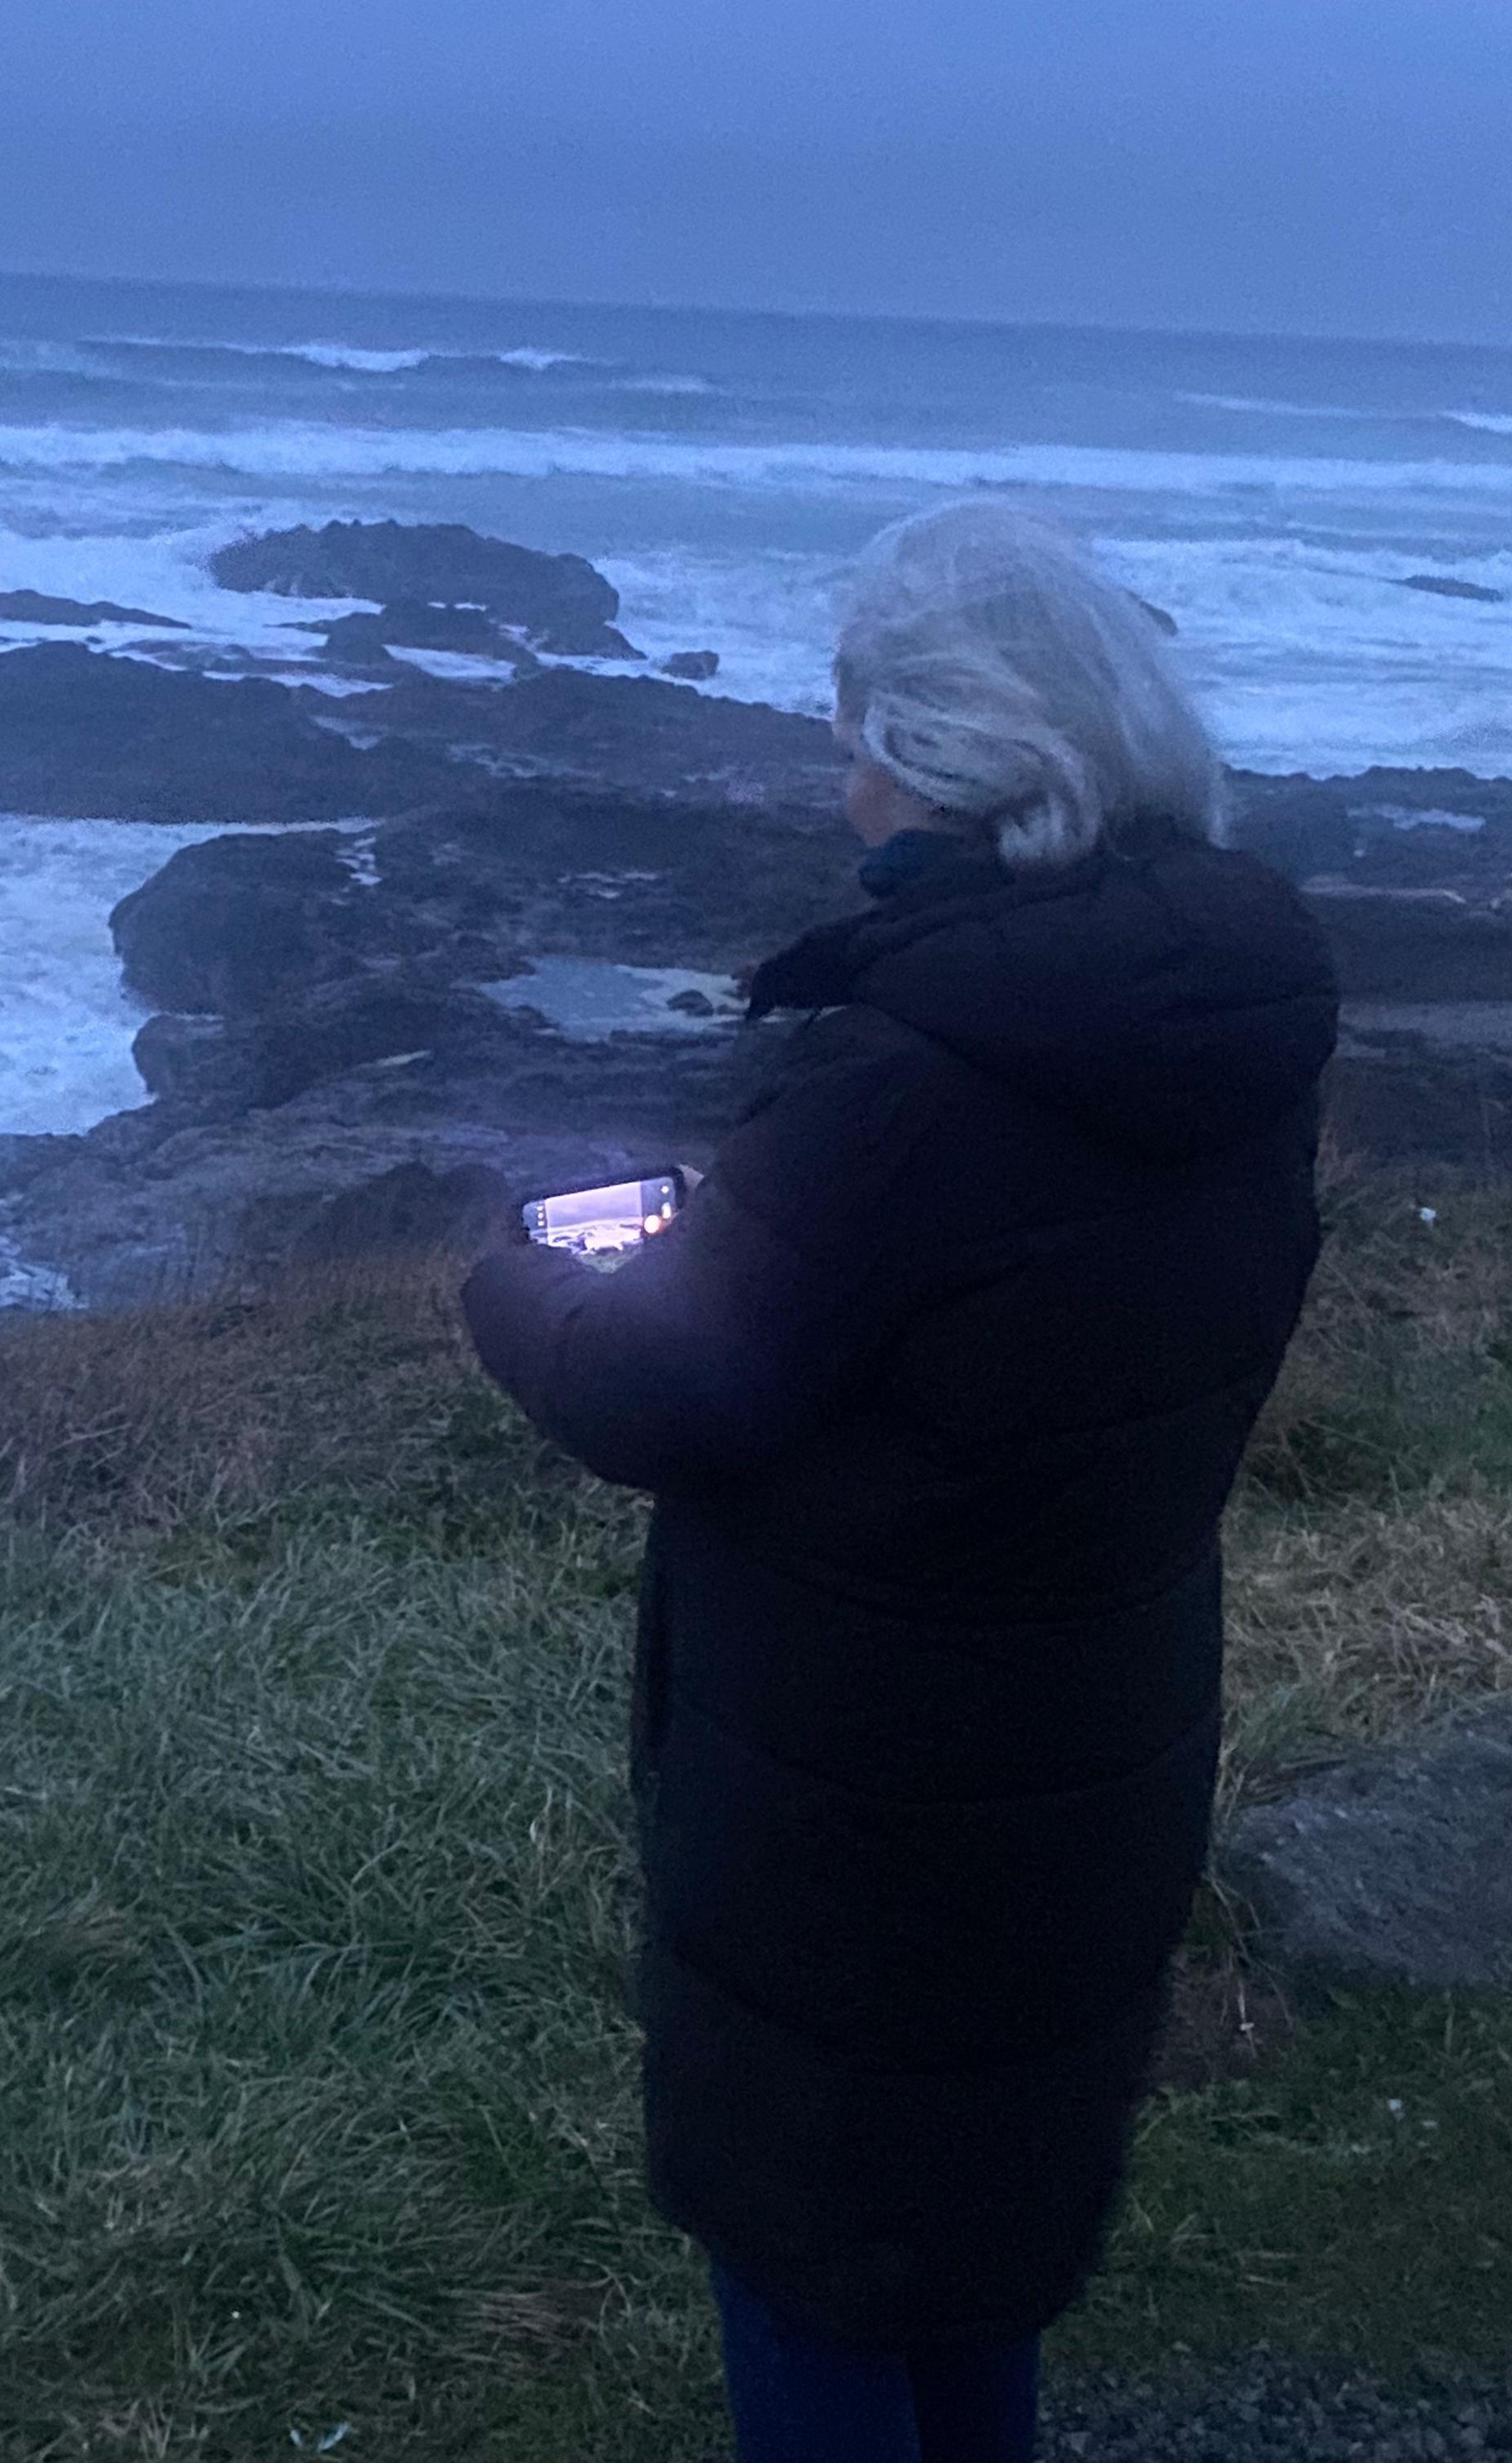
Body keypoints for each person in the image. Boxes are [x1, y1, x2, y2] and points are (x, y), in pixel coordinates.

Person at [459, 501, 1339, 2463]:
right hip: (1094, 1739)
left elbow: (662, 1396)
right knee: (973, 2239)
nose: (838, 774)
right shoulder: (1240, 1021)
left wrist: (509, 1281)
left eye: (857, 731)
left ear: (945, 757)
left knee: (817, 2252)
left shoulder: (909, 1081)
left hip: (862, 1794)